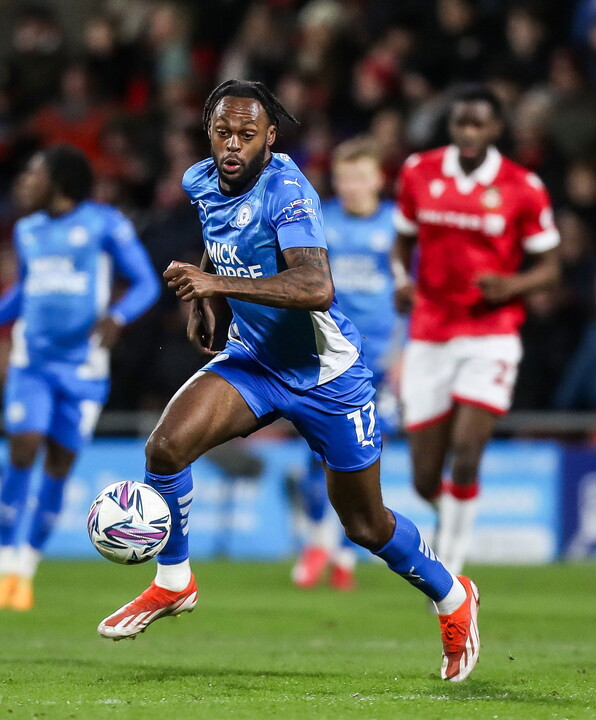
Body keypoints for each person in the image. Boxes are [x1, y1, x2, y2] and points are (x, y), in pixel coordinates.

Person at [97, 80, 480, 683]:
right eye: (223, 132)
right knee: (165, 448)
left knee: (364, 525)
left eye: (247, 135)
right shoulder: (200, 181)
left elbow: (315, 287)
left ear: (270, 138)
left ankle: (453, 596)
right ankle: (174, 581)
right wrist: (205, 294)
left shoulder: (288, 191)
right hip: (255, 361)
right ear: (208, 133)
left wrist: (218, 285)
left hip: (327, 375)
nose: (233, 144)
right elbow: (220, 239)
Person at [392, 84, 561, 577]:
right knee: (425, 478)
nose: (467, 132)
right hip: (429, 331)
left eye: (477, 124)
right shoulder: (418, 171)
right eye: (459, 123)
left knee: (466, 453)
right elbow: (401, 244)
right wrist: (402, 281)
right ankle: (449, 516)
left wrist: (513, 285)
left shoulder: (522, 186)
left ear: (495, 129)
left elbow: (550, 267)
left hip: (491, 332)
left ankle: (451, 569)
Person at [0, 145, 160, 610]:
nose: (24, 181)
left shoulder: (105, 224)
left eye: (34, 173)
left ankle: (24, 568)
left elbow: (146, 282)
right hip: (32, 362)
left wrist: (119, 316)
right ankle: (4, 556)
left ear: (60, 181)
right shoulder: (27, 230)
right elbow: (26, 290)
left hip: (84, 367)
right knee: (24, 444)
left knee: (59, 463)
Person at [291, 136, 400, 592]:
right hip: (330, 354)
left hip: (382, 360)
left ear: (378, 179)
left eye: (360, 177)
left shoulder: (397, 225)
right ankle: (330, 549)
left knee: (360, 456)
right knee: (317, 456)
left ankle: (334, 551)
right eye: (344, 178)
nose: (352, 186)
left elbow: (413, 294)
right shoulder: (322, 222)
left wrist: (403, 353)